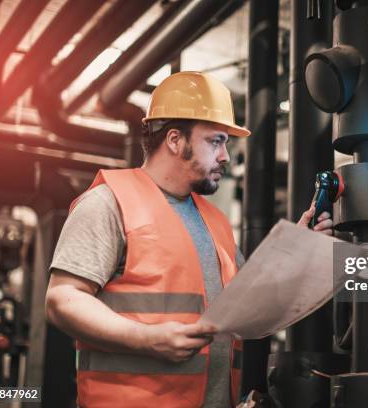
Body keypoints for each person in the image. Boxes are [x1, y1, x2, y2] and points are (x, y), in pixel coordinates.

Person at [45, 71, 333, 408]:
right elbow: (62, 300)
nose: (225, 155)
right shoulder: (108, 204)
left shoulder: (215, 221)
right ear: (174, 140)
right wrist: (148, 340)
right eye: (215, 141)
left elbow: (247, 306)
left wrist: (298, 252)